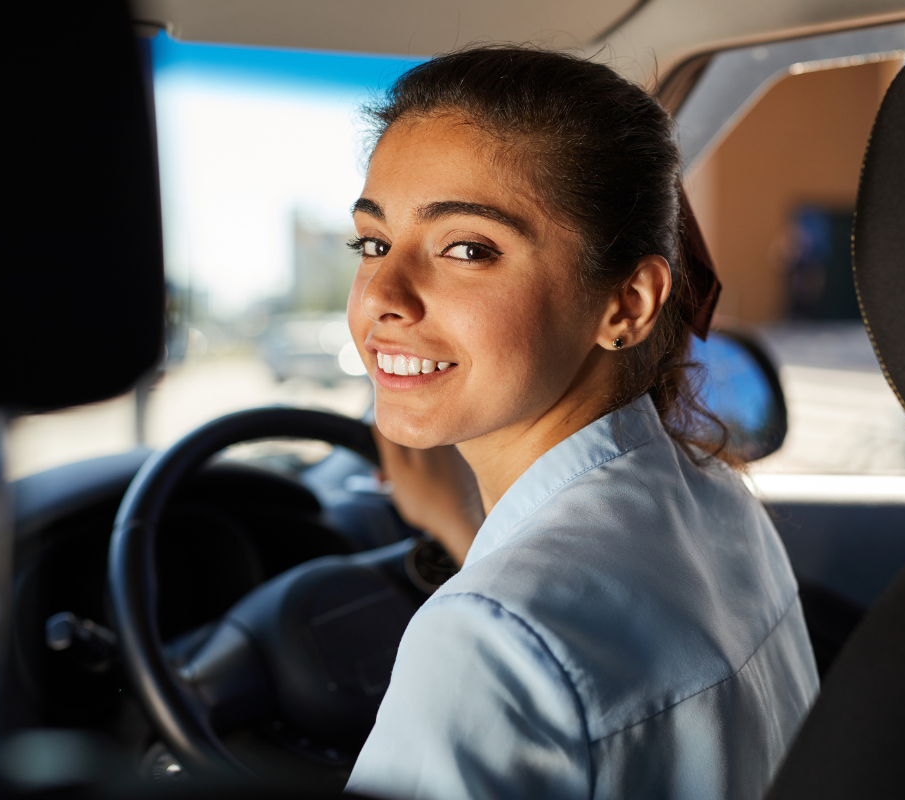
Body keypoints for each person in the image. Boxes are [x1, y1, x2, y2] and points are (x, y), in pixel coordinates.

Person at [343, 46, 818, 800]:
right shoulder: (719, 504)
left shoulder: (482, 643)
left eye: (468, 248)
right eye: (373, 243)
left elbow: (534, 641)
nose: (381, 297)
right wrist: (463, 536)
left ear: (626, 304)